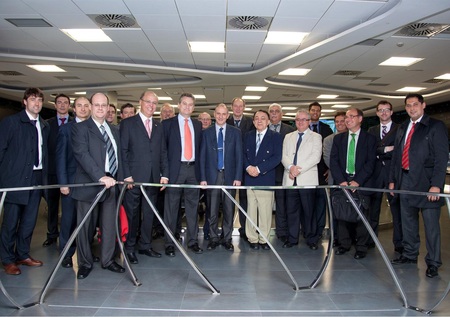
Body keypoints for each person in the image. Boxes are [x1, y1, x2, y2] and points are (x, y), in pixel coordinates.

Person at [389, 93, 448, 278]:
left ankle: (433, 262)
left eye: (415, 104)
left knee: (431, 226)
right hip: (405, 181)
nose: (411, 108)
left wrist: (436, 185)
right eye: (408, 105)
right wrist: (392, 180)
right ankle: (409, 254)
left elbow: (441, 157)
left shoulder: (435, 126)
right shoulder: (403, 127)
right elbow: (397, 156)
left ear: (423, 105)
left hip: (427, 184)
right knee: (408, 223)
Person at [71, 92, 125, 279]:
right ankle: (85, 263)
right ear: (91, 107)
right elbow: (82, 155)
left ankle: (108, 260)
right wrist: (100, 176)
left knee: (109, 225)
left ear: (109, 107)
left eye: (104, 105)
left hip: (112, 184)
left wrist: (124, 177)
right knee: (85, 227)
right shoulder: (81, 128)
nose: (101, 108)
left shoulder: (114, 130)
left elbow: (119, 156)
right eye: (97, 105)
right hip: (90, 183)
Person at [0, 87, 49, 275]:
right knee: (11, 222)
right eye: (32, 99)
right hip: (15, 179)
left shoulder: (44, 125)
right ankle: (7, 259)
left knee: (29, 221)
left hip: (36, 177)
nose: (36, 103)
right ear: (25, 102)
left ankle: (23, 254)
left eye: (39, 100)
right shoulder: (11, 123)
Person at [120, 91, 168, 264]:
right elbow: (123, 152)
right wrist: (127, 175)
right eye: (148, 102)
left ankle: (145, 245)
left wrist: (165, 175)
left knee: (149, 214)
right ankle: (130, 248)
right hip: (133, 179)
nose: (151, 105)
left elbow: (162, 152)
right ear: (140, 102)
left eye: (155, 103)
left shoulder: (158, 126)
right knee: (133, 214)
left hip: (153, 178)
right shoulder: (128, 124)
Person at [330, 108, 376, 259]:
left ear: (360, 118)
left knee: (361, 216)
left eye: (351, 116)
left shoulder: (369, 139)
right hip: (342, 181)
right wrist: (342, 181)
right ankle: (344, 245)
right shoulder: (339, 139)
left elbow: (370, 163)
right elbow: (334, 162)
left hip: (361, 183)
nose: (347, 119)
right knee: (342, 215)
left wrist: (357, 181)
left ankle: (361, 247)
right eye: (346, 117)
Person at [162, 93, 203, 257]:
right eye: (184, 104)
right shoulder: (167, 125)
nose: (187, 107)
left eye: (191, 104)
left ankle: (193, 242)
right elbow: (163, 151)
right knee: (171, 208)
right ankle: (169, 243)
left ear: (193, 107)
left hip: (193, 170)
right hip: (175, 170)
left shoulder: (198, 125)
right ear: (179, 105)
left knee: (193, 208)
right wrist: (164, 173)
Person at [200, 104, 243, 252]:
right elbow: (202, 157)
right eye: (218, 113)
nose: (220, 116)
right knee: (211, 209)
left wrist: (238, 177)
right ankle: (213, 238)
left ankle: (227, 238)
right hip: (212, 176)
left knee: (229, 209)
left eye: (223, 114)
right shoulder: (206, 133)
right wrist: (203, 178)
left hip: (230, 176)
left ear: (227, 116)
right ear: (214, 114)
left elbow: (239, 156)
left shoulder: (236, 133)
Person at [56, 96, 91, 268]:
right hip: (70, 182)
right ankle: (66, 254)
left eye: (86, 106)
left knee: (86, 222)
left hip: (89, 183)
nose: (83, 109)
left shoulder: (94, 128)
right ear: (74, 109)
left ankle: (86, 254)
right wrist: (63, 183)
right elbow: (60, 158)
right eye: (79, 106)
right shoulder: (66, 130)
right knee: (68, 221)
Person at [281, 109, 322, 249]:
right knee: (291, 211)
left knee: (309, 211)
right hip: (290, 180)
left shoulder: (316, 137)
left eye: (304, 119)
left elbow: (315, 157)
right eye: (298, 119)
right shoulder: (288, 136)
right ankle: (292, 239)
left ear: (309, 122)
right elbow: (284, 156)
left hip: (307, 180)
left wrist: (297, 170)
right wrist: (291, 168)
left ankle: (311, 239)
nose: (300, 122)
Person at [243, 110, 282, 250]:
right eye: (257, 119)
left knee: (265, 211)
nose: (259, 121)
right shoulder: (247, 136)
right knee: (251, 210)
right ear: (253, 121)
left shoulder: (276, 137)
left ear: (268, 121)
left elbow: (277, 157)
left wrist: (258, 169)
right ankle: (252, 238)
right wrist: (248, 167)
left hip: (265, 177)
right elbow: (242, 154)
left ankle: (264, 239)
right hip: (249, 178)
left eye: (263, 118)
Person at [368, 101, 401, 253]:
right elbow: (370, 150)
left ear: (391, 112)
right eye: (380, 110)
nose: (383, 113)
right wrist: (387, 149)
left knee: (396, 210)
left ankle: (399, 244)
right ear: (376, 113)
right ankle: (370, 240)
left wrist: (379, 151)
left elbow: (399, 152)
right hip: (375, 175)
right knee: (373, 210)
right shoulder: (371, 130)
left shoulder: (400, 129)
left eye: (386, 110)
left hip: (392, 174)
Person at [43, 93, 72, 247]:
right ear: (55, 105)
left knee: (69, 208)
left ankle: (67, 237)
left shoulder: (76, 124)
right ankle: (52, 234)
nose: (62, 105)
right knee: (52, 204)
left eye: (65, 102)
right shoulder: (47, 125)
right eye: (59, 102)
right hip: (53, 172)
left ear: (69, 105)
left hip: (71, 173)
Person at [226, 97, 255, 239]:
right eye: (235, 106)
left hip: (246, 166)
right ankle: (227, 231)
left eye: (240, 106)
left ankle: (245, 230)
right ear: (231, 107)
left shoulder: (251, 122)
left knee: (245, 200)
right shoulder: (225, 120)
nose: (238, 108)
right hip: (229, 167)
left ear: (244, 107)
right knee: (228, 200)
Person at [268, 103, 295, 242]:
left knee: (282, 205)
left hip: (282, 172)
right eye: (271, 111)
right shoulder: (261, 128)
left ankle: (282, 232)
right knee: (264, 205)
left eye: (276, 111)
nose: (273, 114)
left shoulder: (290, 131)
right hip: (265, 173)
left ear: (281, 114)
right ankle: (262, 230)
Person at [309, 102, 333, 240]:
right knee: (307, 203)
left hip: (323, 173)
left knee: (321, 203)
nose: (315, 113)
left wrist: (329, 168)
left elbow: (329, 151)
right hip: (306, 172)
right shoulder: (302, 128)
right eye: (313, 110)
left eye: (318, 111)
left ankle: (319, 230)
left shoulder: (326, 129)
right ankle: (308, 229)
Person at [322, 111, 347, 247]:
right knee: (335, 211)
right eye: (337, 122)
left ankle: (349, 239)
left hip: (353, 181)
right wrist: (341, 176)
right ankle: (335, 238)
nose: (339, 124)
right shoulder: (328, 139)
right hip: (335, 180)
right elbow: (328, 159)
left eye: (342, 121)